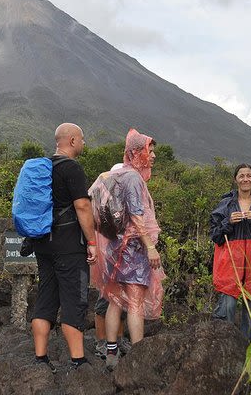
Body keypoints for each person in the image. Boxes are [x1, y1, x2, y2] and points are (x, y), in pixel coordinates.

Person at [92, 128, 165, 370]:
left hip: (114, 248)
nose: (153, 156)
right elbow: (136, 215)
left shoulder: (117, 176)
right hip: (132, 249)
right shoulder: (133, 178)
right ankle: (138, 356)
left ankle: (111, 352)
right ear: (136, 153)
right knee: (134, 302)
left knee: (115, 300)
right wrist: (151, 247)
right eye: (149, 151)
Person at [31, 123, 97, 372]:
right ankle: (78, 363)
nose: (83, 143)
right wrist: (92, 242)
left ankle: (40, 360)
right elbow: (82, 206)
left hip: (42, 244)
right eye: (81, 139)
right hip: (69, 246)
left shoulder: (42, 167)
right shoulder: (72, 168)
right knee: (74, 300)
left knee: (45, 297)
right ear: (71, 141)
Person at [209, 163, 251, 341]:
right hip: (230, 263)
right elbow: (215, 235)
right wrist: (228, 222)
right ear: (236, 179)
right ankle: (224, 347)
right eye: (241, 176)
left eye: (249, 175)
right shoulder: (225, 205)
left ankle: (250, 349)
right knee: (228, 305)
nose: (245, 179)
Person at [93, 164, 130, 360]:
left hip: (125, 254)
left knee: (121, 299)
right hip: (109, 254)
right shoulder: (104, 199)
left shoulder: (126, 197)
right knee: (105, 299)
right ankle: (102, 341)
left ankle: (119, 338)